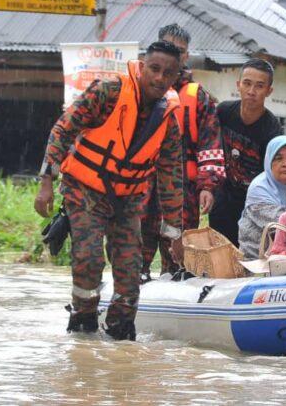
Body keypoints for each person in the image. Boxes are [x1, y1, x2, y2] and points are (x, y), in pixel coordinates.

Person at [34, 41, 185, 341]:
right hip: (85, 190)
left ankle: (119, 335)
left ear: (175, 77)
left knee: (130, 275)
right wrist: (46, 181)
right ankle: (83, 323)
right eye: (154, 69)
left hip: (127, 200)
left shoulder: (167, 120)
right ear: (141, 67)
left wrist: (176, 235)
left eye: (167, 74)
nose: (159, 78)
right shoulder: (109, 91)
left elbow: (171, 177)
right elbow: (63, 129)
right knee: (89, 260)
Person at [141, 24, 225, 279]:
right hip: (142, 186)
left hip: (183, 191)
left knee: (178, 260)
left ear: (186, 56)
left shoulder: (198, 96)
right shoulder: (140, 90)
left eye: (180, 51)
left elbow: (211, 144)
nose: (174, 55)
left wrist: (208, 186)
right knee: (133, 255)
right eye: (169, 48)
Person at [210, 59, 281, 246]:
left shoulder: (272, 129)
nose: (251, 91)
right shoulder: (224, 112)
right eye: (247, 83)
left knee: (245, 255)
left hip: (253, 203)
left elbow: (272, 174)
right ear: (238, 85)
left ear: (269, 91)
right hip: (222, 196)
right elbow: (208, 143)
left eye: (259, 86)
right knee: (219, 251)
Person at [237, 135, 286, 259]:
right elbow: (284, 225)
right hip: (258, 260)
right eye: (278, 159)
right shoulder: (260, 187)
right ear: (268, 162)